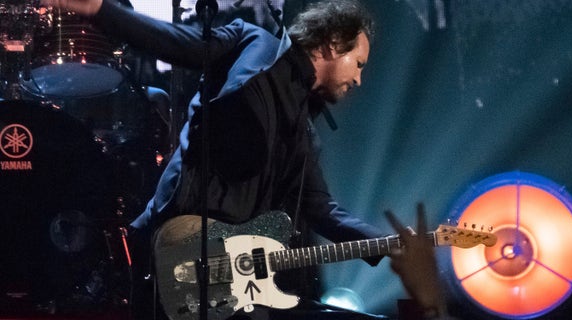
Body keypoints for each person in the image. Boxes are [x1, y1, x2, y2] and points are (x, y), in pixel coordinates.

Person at [41, 0, 388, 319]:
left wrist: (390, 244)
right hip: (183, 248)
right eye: (358, 63)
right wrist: (101, 9)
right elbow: (177, 42)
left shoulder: (302, 132)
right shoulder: (255, 45)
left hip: (237, 274)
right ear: (331, 44)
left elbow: (321, 208)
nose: (358, 78)